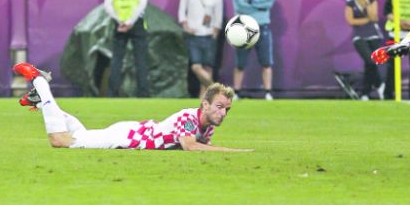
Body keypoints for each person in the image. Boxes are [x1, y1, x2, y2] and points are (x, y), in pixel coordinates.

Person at [14, 62, 251, 152]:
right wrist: (234, 152)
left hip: (132, 131)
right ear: (205, 104)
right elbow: (190, 147)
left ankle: (42, 101)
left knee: (79, 135)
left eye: (226, 109)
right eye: (219, 106)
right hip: (127, 138)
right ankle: (40, 81)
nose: (223, 113)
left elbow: (197, 146)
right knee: (61, 140)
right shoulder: (190, 117)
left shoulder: (206, 124)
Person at [104, 0, 150, 98]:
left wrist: (121, 22)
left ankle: (112, 94)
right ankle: (143, 94)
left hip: (119, 23)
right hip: (136, 23)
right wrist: (131, 22)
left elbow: (108, 5)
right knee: (141, 60)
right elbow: (142, 3)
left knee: (117, 60)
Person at [232, 0, 276, 100]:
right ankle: (236, 92)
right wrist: (258, 4)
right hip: (243, 27)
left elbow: (268, 3)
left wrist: (251, 2)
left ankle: (268, 92)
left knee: (266, 62)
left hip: (262, 26)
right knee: (240, 63)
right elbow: (239, 6)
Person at [178, 0, 224, 98]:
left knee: (208, 68)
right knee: (196, 67)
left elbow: (218, 14)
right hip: (193, 35)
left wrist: (215, 31)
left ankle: (203, 101)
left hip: (209, 35)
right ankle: (217, 91)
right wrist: (186, 26)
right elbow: (182, 12)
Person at [345, 0, 386, 100]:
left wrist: (365, 2)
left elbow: (374, 17)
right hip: (359, 36)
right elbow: (351, 20)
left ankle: (365, 93)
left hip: (374, 35)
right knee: (370, 60)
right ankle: (379, 84)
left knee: (370, 64)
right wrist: (366, 19)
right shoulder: (350, 2)